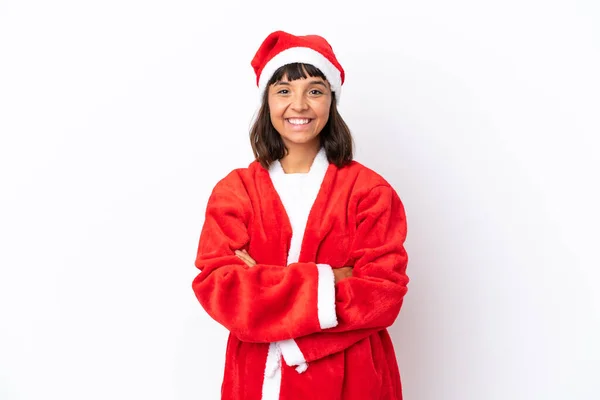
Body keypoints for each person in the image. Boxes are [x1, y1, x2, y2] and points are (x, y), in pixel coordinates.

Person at [192, 30, 409, 400]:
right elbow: (220, 288)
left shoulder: (369, 192)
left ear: (331, 100)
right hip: (259, 377)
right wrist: (333, 278)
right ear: (267, 102)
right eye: (283, 91)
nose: (299, 105)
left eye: (314, 90)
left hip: (351, 378)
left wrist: (263, 280)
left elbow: (383, 293)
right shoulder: (236, 191)